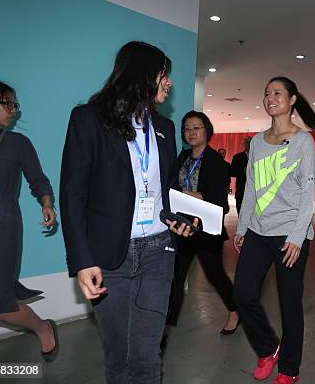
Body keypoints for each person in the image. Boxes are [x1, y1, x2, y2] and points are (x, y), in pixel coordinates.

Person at [60, 41, 196, 384]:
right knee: (118, 354)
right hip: (109, 257)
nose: (169, 83)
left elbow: (164, 191)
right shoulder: (88, 119)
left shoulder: (164, 128)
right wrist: (82, 259)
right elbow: (72, 194)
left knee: (148, 353)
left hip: (159, 253)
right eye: (165, 75)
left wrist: (179, 218)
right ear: (145, 75)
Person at [233, 76, 315, 384]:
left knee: (290, 303)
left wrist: (297, 237)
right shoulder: (258, 141)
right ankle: (268, 348)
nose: (270, 97)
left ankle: (289, 369)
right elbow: (250, 188)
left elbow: (308, 192)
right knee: (243, 294)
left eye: (277, 92)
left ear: (291, 100)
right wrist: (243, 225)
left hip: (290, 234)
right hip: (258, 233)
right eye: (266, 93)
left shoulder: (303, 141)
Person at [0, 79, 58, 362]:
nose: (13, 110)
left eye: (14, 103)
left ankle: (42, 327)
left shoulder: (17, 143)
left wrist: (47, 204)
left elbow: (38, 179)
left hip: (2, 230)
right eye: (6, 102)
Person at [165, 111, 239, 335]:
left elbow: (217, 199)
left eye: (196, 127)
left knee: (215, 275)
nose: (191, 132)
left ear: (207, 131)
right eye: (187, 128)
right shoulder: (183, 157)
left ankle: (235, 311)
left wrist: (183, 192)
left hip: (206, 230)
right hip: (183, 227)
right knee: (175, 278)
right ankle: (164, 330)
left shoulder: (216, 162)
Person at [230, 136, 252, 214]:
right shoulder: (237, 157)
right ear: (244, 144)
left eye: (250, 143)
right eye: (246, 143)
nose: (248, 145)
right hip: (241, 191)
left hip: (254, 192)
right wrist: (242, 171)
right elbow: (232, 172)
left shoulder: (258, 156)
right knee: (240, 213)